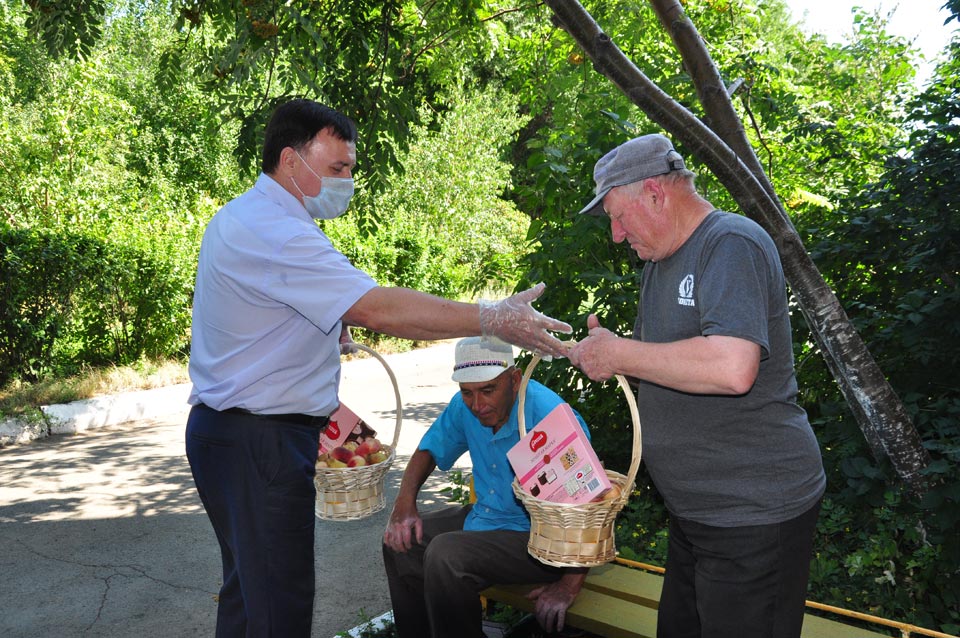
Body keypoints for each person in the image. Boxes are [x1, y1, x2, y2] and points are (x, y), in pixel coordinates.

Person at [185, 99, 571, 638]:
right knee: (278, 607)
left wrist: (316, 332)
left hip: (234, 435)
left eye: (350, 169)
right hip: (258, 442)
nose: (346, 181)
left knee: (251, 596)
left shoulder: (250, 218)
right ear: (291, 161)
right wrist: (491, 317)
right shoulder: (278, 230)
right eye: (336, 168)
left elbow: (273, 314)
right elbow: (378, 305)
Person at [568, 134, 826, 638]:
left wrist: (621, 352)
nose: (617, 236)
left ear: (656, 194)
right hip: (696, 515)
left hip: (753, 514)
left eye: (620, 217)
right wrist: (605, 353)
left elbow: (733, 366)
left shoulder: (730, 243)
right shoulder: (659, 264)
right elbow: (661, 362)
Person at [383, 336, 589, 638]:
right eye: (467, 392)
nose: (477, 405)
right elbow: (429, 450)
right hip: (487, 520)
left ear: (515, 379)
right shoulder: (464, 407)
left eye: (488, 390)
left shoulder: (548, 416)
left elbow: (589, 505)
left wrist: (569, 586)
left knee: (446, 554)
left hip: (543, 542)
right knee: (399, 542)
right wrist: (404, 504)